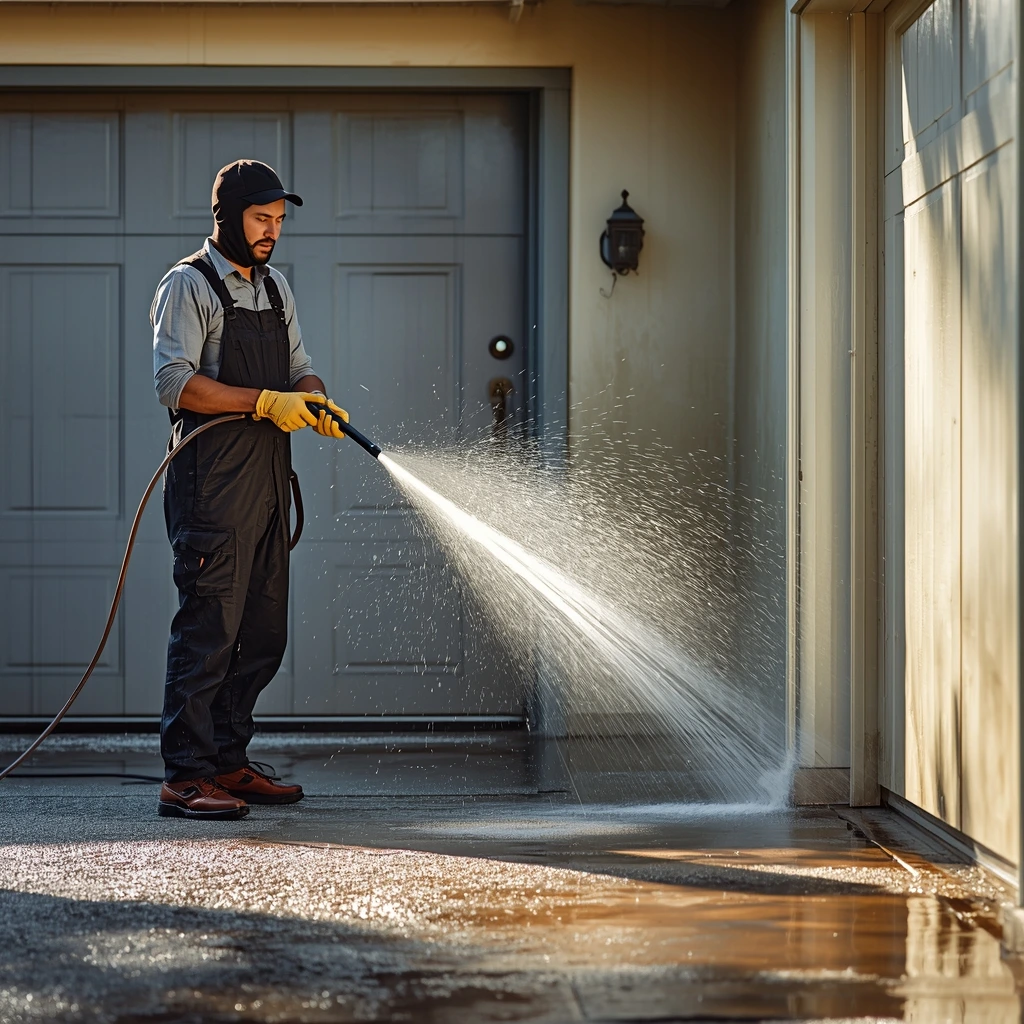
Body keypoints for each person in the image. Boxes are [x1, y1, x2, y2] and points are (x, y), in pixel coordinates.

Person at [151, 159, 347, 820]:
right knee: (210, 630)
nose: (272, 232)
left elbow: (300, 369)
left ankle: (228, 764)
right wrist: (266, 402)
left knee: (262, 633)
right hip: (211, 486)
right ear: (227, 217)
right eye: (261, 219)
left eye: (279, 221)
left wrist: (318, 402)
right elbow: (176, 382)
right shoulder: (190, 285)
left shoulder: (275, 288)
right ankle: (185, 776)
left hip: (266, 482)